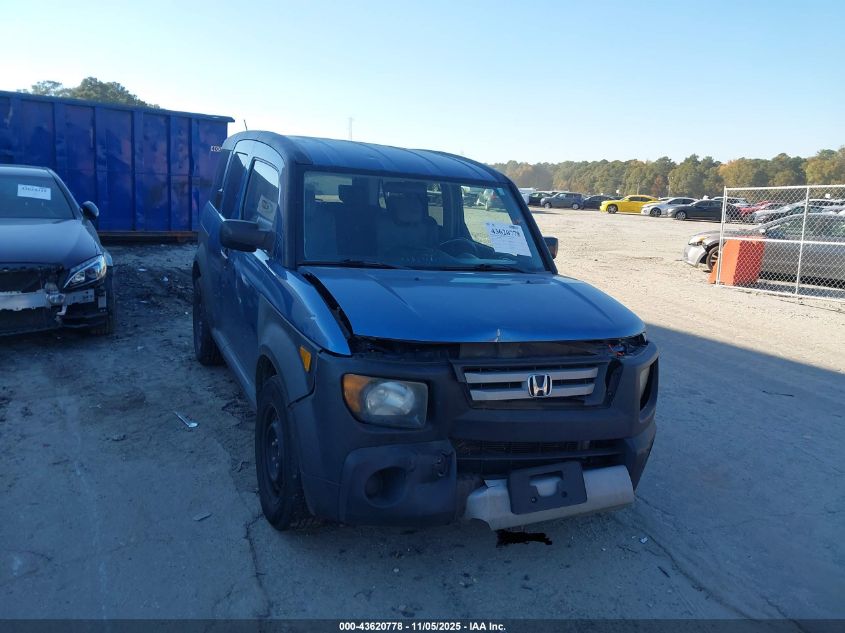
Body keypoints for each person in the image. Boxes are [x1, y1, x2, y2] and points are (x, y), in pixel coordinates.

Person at [377, 180, 438, 256]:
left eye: (419, 199)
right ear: (397, 204)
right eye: (409, 199)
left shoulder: (430, 225)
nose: (416, 204)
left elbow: (435, 252)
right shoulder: (384, 225)